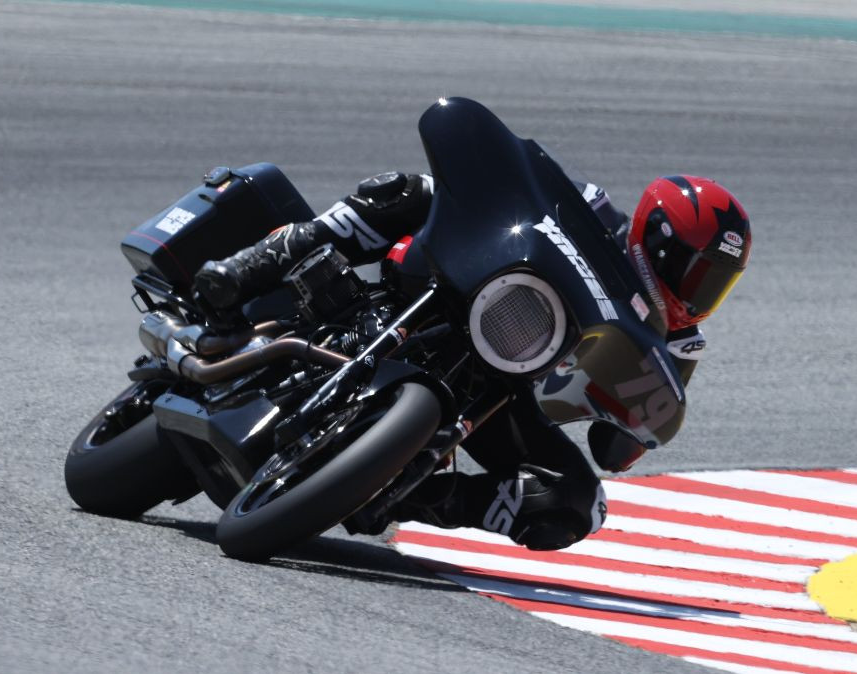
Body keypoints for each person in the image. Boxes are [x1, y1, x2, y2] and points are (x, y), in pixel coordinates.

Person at [194, 170, 751, 551]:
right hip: (451, 291)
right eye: (695, 270)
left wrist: (626, 414)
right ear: (653, 239)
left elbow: (615, 448)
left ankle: (417, 497)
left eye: (717, 284)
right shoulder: (593, 207)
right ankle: (253, 265)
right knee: (408, 190)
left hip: (505, 396)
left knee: (578, 505)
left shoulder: (679, 344)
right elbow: (499, 187)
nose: (699, 293)